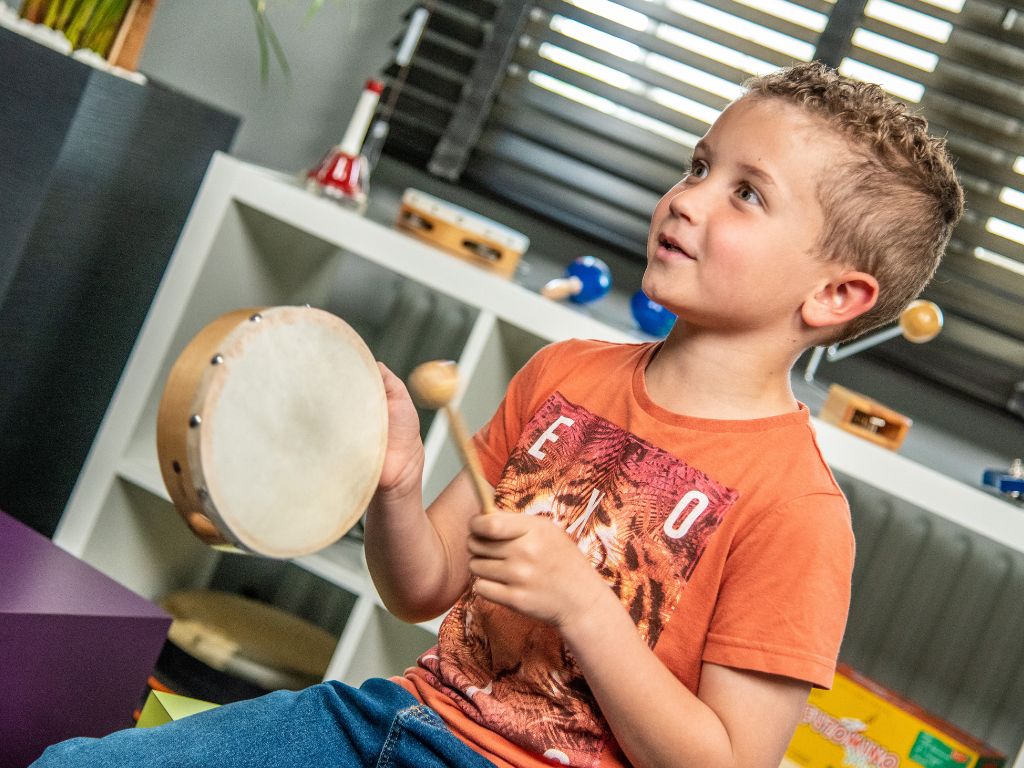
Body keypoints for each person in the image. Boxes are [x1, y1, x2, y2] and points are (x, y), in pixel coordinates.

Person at [33, 61, 963, 768]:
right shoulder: (563, 374)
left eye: (746, 193)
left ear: (837, 296)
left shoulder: (798, 511)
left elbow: (722, 759)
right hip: (395, 723)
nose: (686, 199)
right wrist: (395, 486)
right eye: (698, 165)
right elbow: (423, 588)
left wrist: (587, 612)